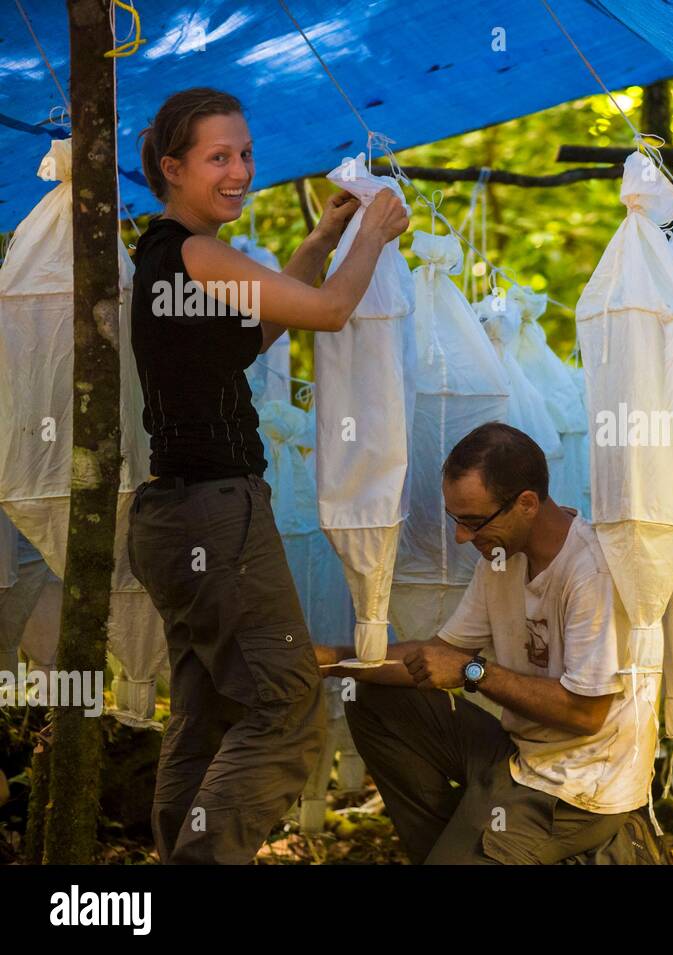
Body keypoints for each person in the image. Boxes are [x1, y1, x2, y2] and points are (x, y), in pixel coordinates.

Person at [126, 87, 409, 864]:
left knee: (209, 707)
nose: (240, 171)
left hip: (171, 518)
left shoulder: (167, 259)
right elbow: (330, 312)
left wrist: (321, 239)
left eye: (246, 154)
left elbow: (256, 332)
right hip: (218, 513)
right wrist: (375, 233)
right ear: (172, 168)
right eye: (219, 157)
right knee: (287, 711)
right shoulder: (199, 252)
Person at [319, 423, 662, 864]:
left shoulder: (592, 572)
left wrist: (471, 672)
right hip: (518, 755)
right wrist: (332, 661)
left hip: (580, 788)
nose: (462, 536)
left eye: (473, 521)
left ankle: (561, 843)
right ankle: (465, 845)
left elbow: (586, 713)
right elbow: (437, 653)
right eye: (456, 519)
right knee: (375, 698)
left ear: (527, 503)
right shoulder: (499, 558)